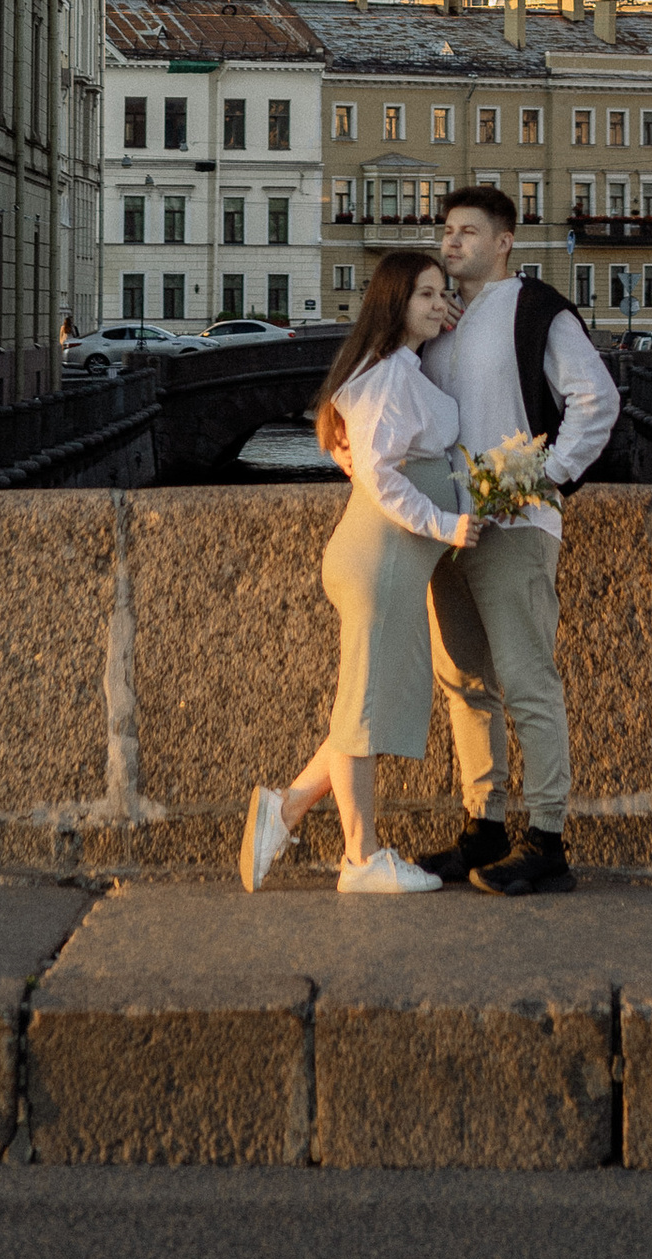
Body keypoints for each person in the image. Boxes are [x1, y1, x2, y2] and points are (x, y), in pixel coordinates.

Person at [239, 249, 483, 898]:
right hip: (383, 559)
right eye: (425, 295)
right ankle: (361, 858)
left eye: (443, 294)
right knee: (364, 712)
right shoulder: (387, 378)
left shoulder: (394, 370)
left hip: (386, 560)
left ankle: (286, 810)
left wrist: (452, 332)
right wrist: (446, 524)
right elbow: (376, 475)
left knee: (364, 709)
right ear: (393, 303)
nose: (438, 305)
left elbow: (351, 445)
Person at [418, 184, 619, 896]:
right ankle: (484, 826)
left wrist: (545, 477)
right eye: (447, 231)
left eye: (467, 233)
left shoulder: (536, 310)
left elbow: (597, 398)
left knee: (529, 682)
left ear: (504, 242)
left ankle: (548, 840)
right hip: (448, 529)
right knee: (464, 682)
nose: (452, 243)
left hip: (515, 526)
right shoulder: (441, 320)